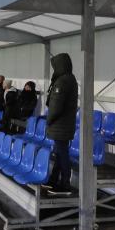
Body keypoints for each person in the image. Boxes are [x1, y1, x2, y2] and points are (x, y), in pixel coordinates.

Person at [44, 53, 78, 196]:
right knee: (59, 152)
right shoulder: (70, 79)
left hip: (60, 124)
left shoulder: (62, 81)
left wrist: (48, 119)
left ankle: (65, 184)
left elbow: (56, 107)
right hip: (64, 124)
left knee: (62, 154)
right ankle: (54, 180)